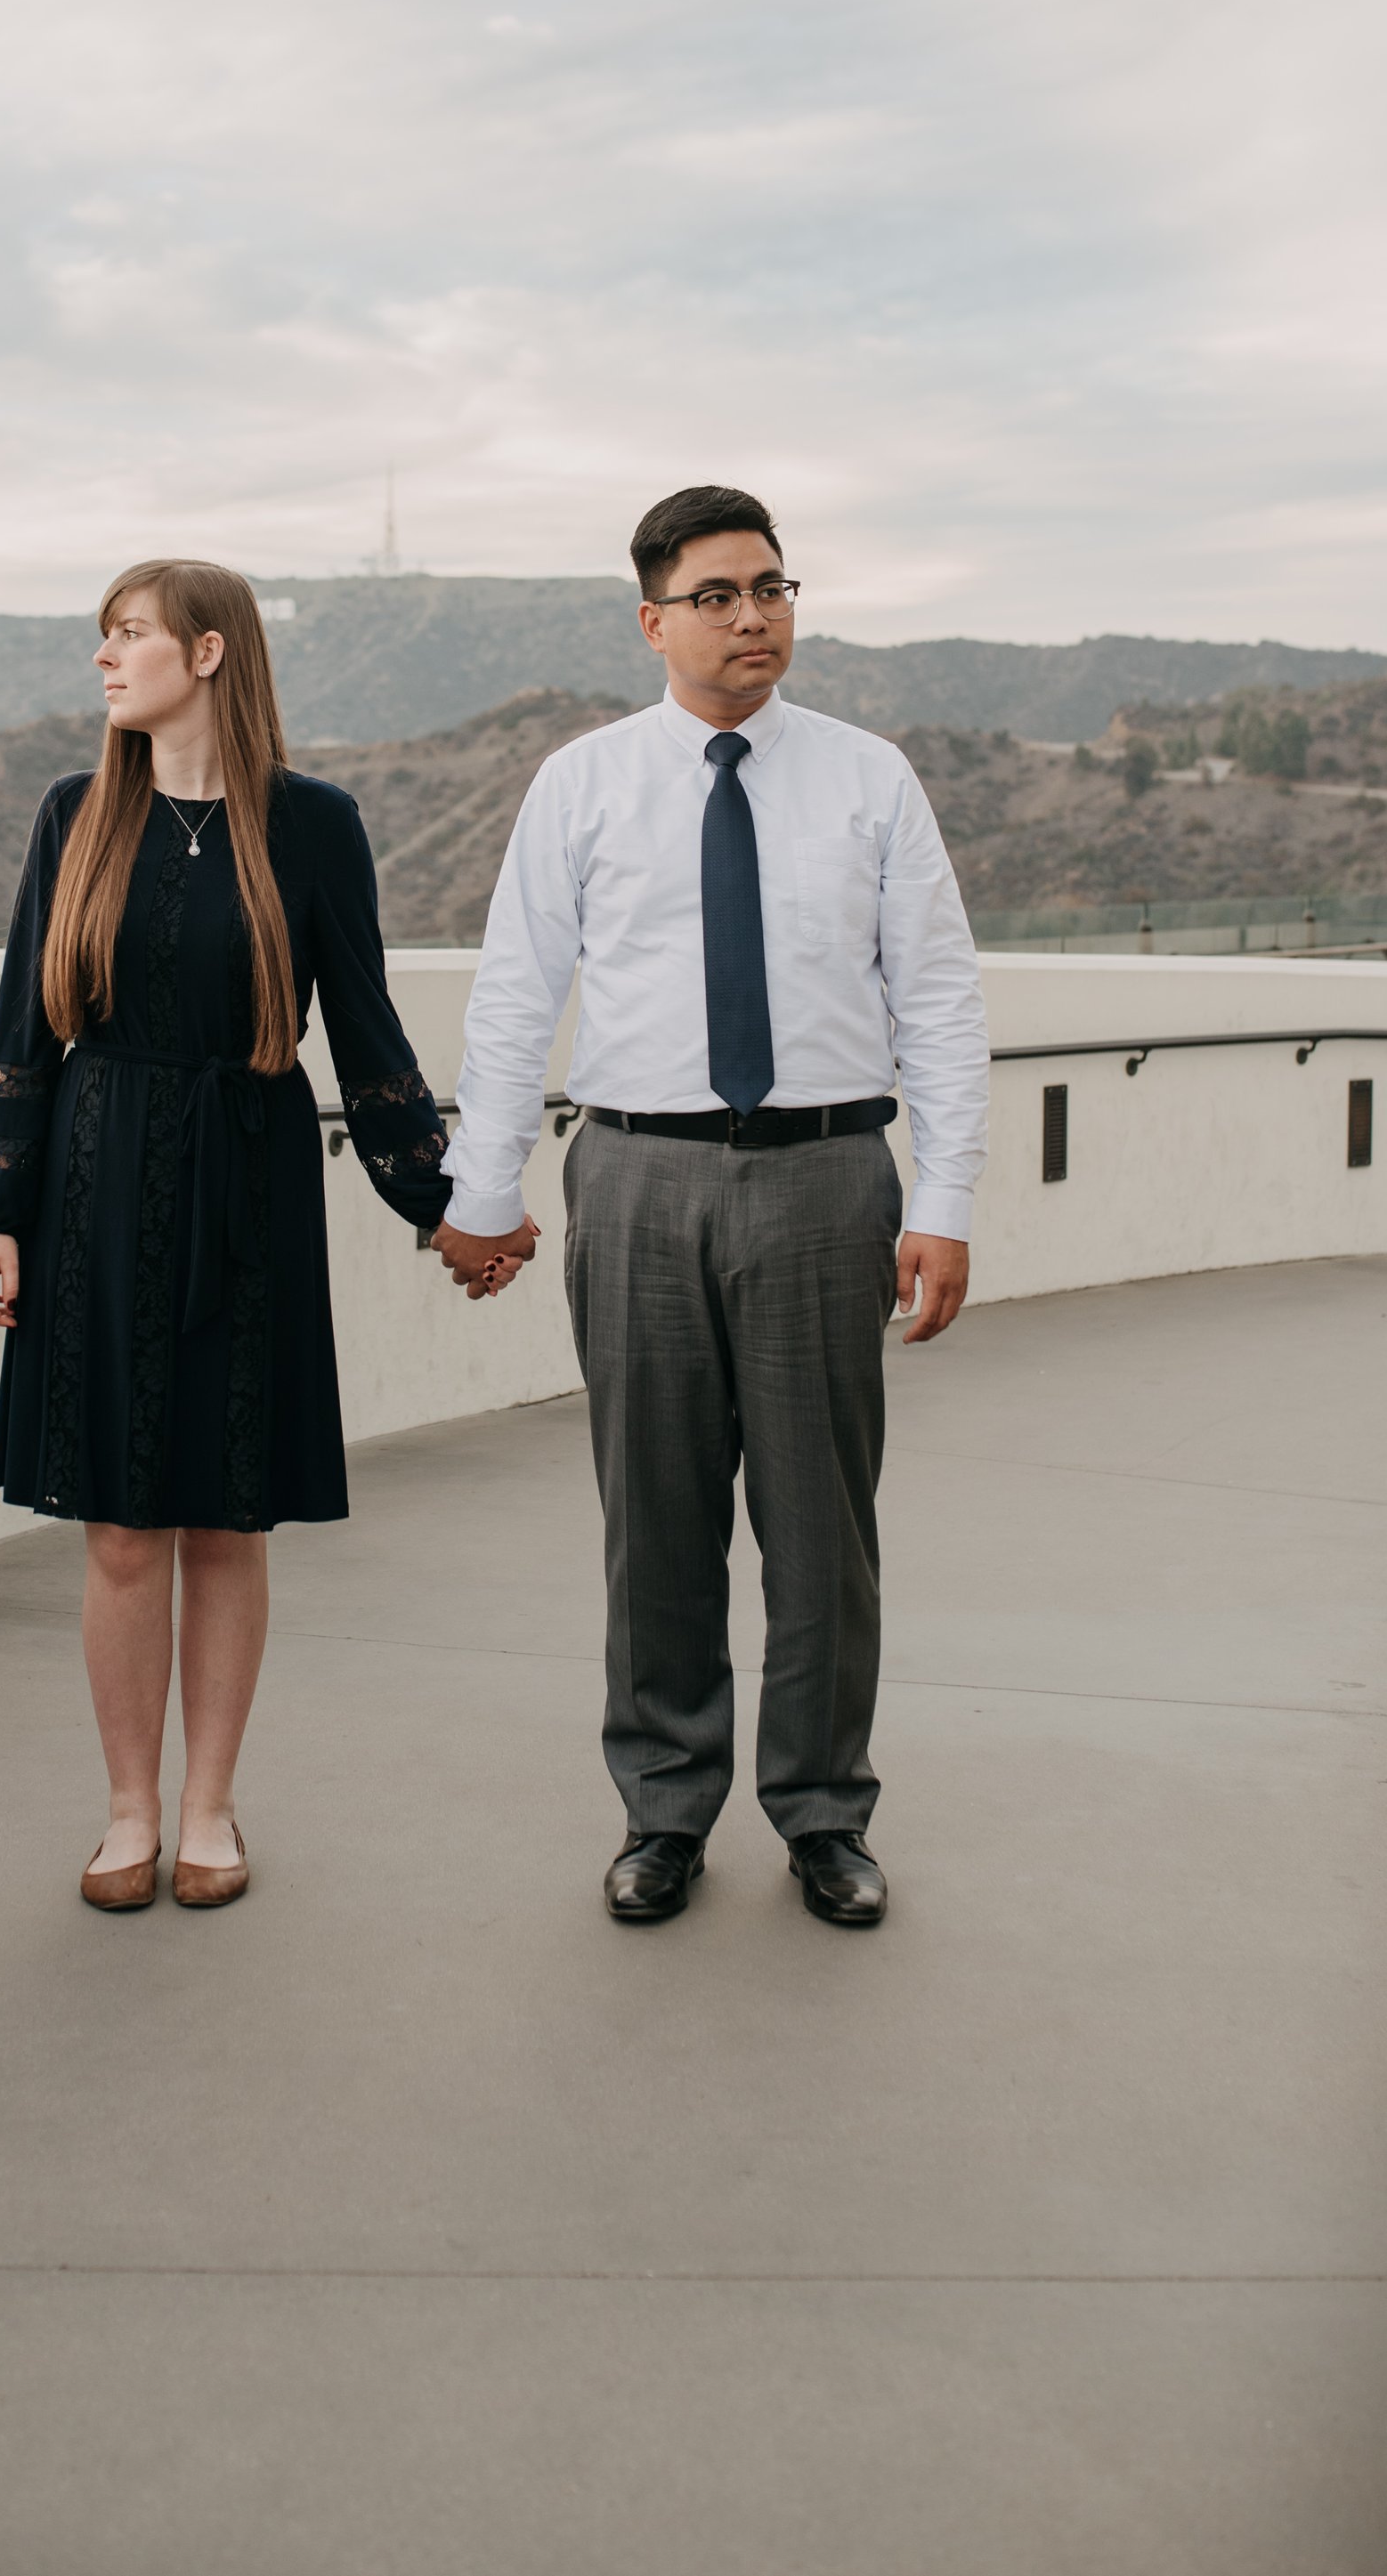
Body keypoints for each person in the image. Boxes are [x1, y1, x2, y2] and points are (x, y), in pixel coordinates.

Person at [433, 486, 988, 1928]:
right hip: (635, 1177)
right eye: (721, 595)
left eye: (775, 588)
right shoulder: (584, 784)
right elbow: (514, 997)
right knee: (658, 1523)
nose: (756, 617)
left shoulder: (870, 780)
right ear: (653, 621)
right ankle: (665, 1810)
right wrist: (481, 1191)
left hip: (824, 1179)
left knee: (822, 1531)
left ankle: (822, 1814)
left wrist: (944, 1197)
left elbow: (936, 998)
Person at [0, 559, 452, 1912]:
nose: (107, 659)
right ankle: (128, 1811)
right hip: (95, 1181)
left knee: (229, 1520)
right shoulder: (76, 815)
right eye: (103, 636)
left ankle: (212, 1806)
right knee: (121, 1526)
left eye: (130, 634)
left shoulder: (313, 825)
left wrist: (444, 1202)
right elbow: (24, 1024)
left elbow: (364, 1023)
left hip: (251, 1179)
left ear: (214, 651)